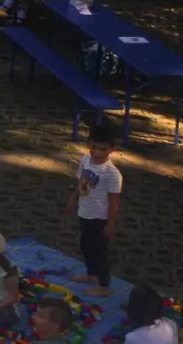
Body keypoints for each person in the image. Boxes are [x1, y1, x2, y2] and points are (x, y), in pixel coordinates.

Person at [68, 123, 122, 297]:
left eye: (103, 149)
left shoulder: (112, 173)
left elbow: (114, 200)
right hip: (84, 212)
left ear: (111, 149)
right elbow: (82, 183)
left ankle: (104, 285)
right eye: (94, 148)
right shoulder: (85, 160)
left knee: (99, 252)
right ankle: (92, 274)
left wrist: (111, 223)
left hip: (99, 218)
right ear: (89, 144)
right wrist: (73, 199)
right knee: (86, 246)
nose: (97, 153)